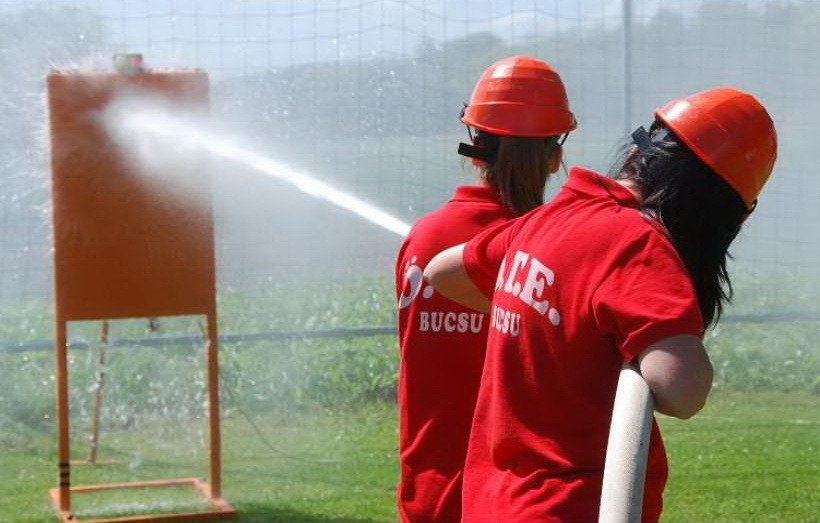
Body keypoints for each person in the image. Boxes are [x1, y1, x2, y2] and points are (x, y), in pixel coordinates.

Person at [424, 87, 777, 522]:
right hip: (567, 508)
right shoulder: (638, 246)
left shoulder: (555, 216)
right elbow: (683, 389)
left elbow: (443, 271)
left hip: (492, 505)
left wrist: (551, 319)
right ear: (714, 206)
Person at [395, 55, 576, 523]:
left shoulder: (423, 239)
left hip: (427, 497)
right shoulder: (551, 247)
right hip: (512, 500)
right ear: (555, 156)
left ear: (474, 146)